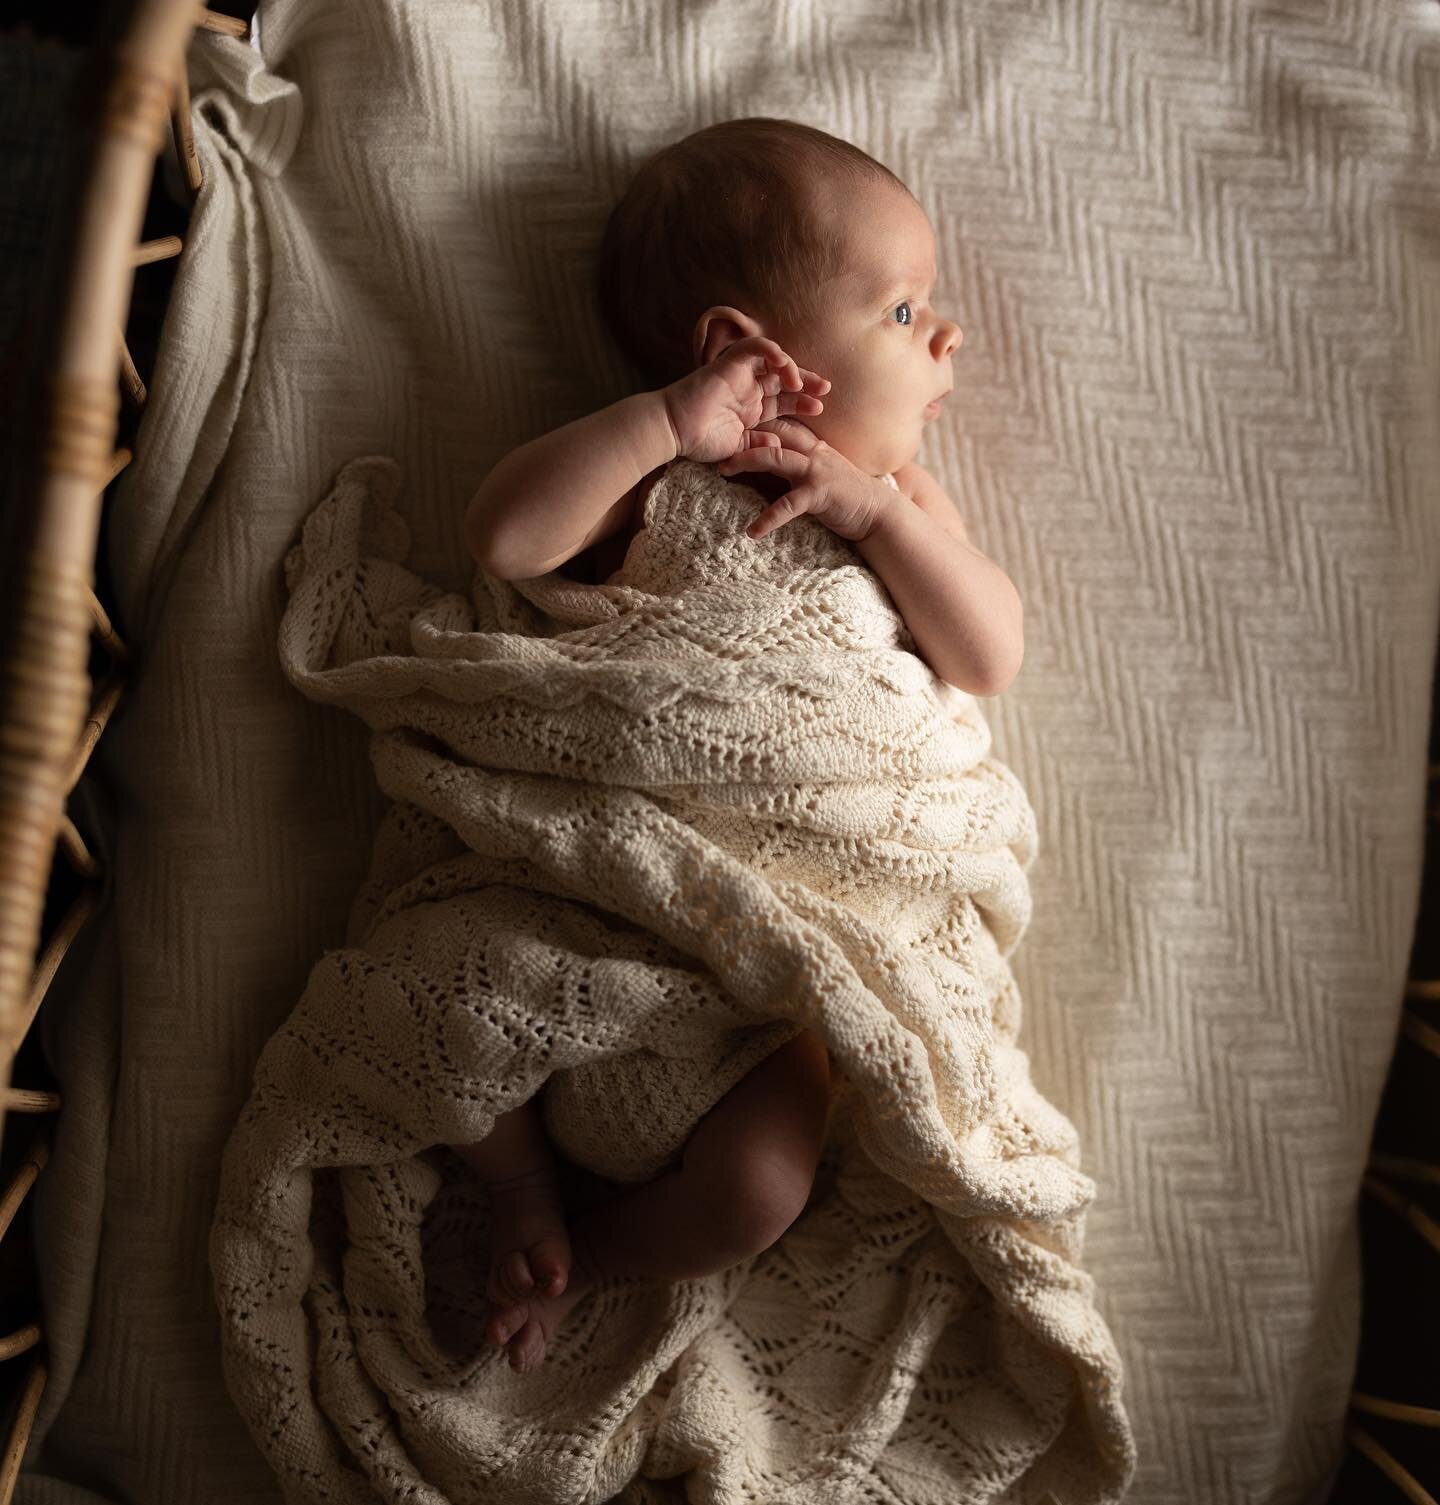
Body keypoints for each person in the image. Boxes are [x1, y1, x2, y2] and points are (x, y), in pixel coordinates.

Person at [453, 117, 1023, 1374]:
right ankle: (518, 1181)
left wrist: (880, 512)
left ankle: (580, 1250)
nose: (947, 334)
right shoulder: (652, 470)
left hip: (779, 965)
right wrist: (665, 423)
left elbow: (984, 655)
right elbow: (505, 541)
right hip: (608, 890)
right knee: (455, 1001)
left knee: (760, 1190)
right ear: (735, 349)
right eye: (901, 307)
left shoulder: (901, 500)